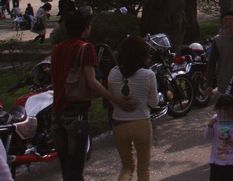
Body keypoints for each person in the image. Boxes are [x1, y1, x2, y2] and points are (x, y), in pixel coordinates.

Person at [51, 10, 134, 180]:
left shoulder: (57, 48)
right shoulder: (85, 48)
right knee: (75, 170)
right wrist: (115, 99)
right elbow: (92, 82)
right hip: (76, 114)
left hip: (57, 113)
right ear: (86, 28)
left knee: (67, 170)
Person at [107, 35, 160, 181]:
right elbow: (154, 103)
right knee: (143, 168)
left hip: (119, 124)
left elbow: (112, 101)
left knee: (127, 166)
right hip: (141, 122)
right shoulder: (148, 75)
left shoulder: (113, 73)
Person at [205, 94, 233, 181]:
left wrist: (231, 137)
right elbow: (207, 137)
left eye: (228, 109)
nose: (225, 112)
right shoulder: (215, 119)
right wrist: (209, 126)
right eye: (222, 109)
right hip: (216, 160)